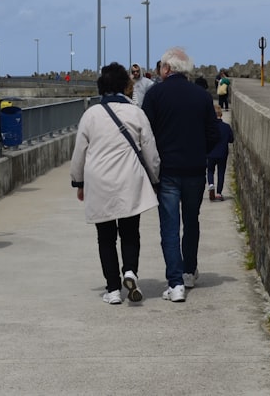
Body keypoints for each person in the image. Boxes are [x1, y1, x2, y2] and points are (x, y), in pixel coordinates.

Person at [70, 63, 160, 305]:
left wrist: (78, 181)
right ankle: (130, 271)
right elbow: (150, 151)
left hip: (99, 181)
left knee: (106, 237)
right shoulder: (135, 112)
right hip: (129, 179)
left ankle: (112, 289)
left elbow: (79, 152)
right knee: (131, 231)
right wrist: (154, 177)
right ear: (125, 86)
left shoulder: (90, 114)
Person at [141, 47, 219, 302]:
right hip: (195, 169)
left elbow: (146, 135)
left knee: (170, 227)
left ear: (166, 69)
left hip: (168, 171)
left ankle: (175, 284)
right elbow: (213, 134)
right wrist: (200, 152)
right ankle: (188, 271)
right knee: (192, 221)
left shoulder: (155, 95)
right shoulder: (202, 96)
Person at [207, 104, 234, 201]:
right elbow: (231, 139)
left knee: (210, 170)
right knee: (221, 172)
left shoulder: (209, 127)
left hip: (211, 153)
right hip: (222, 153)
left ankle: (211, 185)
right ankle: (218, 193)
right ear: (221, 114)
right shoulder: (226, 127)